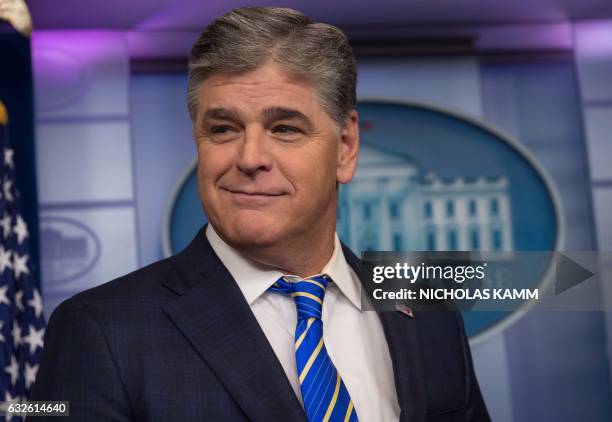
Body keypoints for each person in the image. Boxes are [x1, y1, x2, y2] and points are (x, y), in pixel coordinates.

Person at [31, 7, 489, 421]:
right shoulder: (99, 331)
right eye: (223, 128)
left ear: (345, 149)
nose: (250, 158)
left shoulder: (430, 313)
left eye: (284, 128)